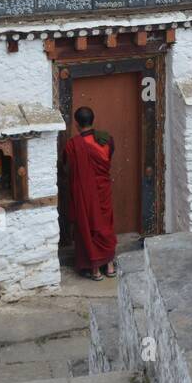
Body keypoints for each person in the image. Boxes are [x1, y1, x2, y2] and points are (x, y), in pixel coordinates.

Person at [63, 106, 117, 280]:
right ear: (92, 120)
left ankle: (94, 270)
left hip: (85, 193)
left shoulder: (73, 145)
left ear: (77, 124)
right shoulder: (107, 140)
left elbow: (66, 166)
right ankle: (109, 266)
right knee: (105, 226)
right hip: (103, 190)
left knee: (88, 225)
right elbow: (109, 158)